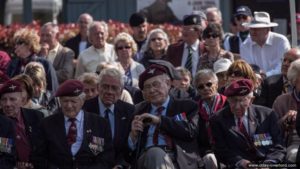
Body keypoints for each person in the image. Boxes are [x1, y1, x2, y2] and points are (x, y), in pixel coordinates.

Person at [128, 63, 204, 169]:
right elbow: (126, 150)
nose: (152, 90)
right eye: (147, 87)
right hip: (146, 159)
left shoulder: (186, 106)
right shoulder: (137, 111)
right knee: (155, 153)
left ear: (168, 84)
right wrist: (133, 136)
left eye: (156, 84)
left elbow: (191, 132)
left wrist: (159, 121)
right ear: (143, 93)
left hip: (181, 161)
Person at [32, 79, 114, 169]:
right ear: (59, 102)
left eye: (73, 101)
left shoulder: (100, 124)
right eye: (65, 101)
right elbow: (39, 157)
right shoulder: (47, 124)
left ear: (82, 101)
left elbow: (106, 157)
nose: (69, 106)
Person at [210, 79, 286, 168]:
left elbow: (278, 146)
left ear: (251, 100)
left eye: (242, 100)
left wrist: (269, 163)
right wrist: (239, 161)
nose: (237, 106)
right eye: (233, 101)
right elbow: (221, 150)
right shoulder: (218, 119)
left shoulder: (267, 115)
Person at [83, 68, 135, 168]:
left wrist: (120, 165)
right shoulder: (84, 109)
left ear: (120, 92)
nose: (109, 92)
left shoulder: (129, 111)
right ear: (98, 87)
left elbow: (127, 149)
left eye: (114, 88)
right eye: (105, 87)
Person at [0, 80, 44, 168]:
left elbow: (44, 147)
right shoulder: (2, 123)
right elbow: (5, 152)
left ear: (22, 100)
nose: (7, 104)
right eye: (4, 100)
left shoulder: (36, 116)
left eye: (12, 99)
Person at [6, 28, 59, 95]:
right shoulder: (13, 64)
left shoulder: (44, 63)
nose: (16, 46)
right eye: (15, 43)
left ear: (29, 45)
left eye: (19, 43)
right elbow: (7, 86)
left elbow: (53, 90)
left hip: (39, 104)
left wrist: (40, 102)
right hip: (16, 103)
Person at [193, 69, 227, 169]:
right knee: (209, 158)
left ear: (216, 85)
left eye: (209, 84)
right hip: (206, 152)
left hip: (228, 149)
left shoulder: (228, 104)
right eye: (200, 86)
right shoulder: (194, 108)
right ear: (197, 90)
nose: (205, 88)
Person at [240, 11, 291, 77]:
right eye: (251, 28)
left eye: (257, 29)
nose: (253, 31)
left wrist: (266, 75)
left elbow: (284, 66)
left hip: (279, 81)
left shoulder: (281, 41)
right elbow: (247, 69)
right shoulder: (245, 45)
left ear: (267, 30)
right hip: (256, 81)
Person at [273, 59, 300, 163]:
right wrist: (285, 119)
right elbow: (273, 130)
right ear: (294, 80)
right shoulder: (282, 101)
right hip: (294, 141)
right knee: (294, 155)